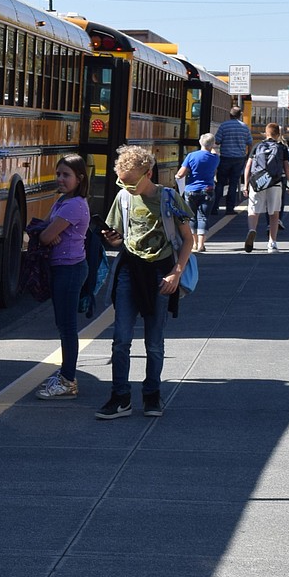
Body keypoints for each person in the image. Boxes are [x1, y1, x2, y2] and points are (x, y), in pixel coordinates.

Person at [97, 144, 194, 419]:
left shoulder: (169, 198)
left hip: (160, 272)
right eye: (122, 182)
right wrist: (112, 239)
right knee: (120, 339)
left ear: (148, 173)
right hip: (130, 269)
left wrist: (177, 271)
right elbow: (117, 233)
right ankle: (120, 397)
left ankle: (152, 395)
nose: (126, 188)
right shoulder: (123, 198)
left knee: (154, 341)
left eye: (131, 183)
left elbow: (188, 239)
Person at [34, 153, 92, 401]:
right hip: (63, 268)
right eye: (58, 174)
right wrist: (48, 231)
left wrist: (49, 232)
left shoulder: (73, 205)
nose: (60, 179)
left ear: (79, 178)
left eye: (66, 175)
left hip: (70, 270)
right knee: (63, 324)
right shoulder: (63, 201)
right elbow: (44, 228)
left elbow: (46, 236)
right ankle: (66, 376)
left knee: (67, 327)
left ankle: (68, 380)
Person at [243, 122, 289, 253]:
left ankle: (252, 230)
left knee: (253, 210)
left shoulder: (257, 146)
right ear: (278, 134)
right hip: (275, 182)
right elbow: (287, 168)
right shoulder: (281, 148)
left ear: (265, 133)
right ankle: (272, 243)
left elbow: (248, 167)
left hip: (257, 182)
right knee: (274, 213)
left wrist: (246, 185)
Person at [175, 132, 218, 252]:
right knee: (203, 218)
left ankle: (194, 244)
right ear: (213, 144)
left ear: (200, 142)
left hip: (191, 190)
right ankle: (201, 245)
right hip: (208, 190)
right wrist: (212, 147)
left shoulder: (191, 156)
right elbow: (214, 152)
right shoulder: (215, 158)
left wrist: (178, 177)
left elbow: (181, 174)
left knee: (192, 217)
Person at [211, 107, 252, 215]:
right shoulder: (244, 127)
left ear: (230, 115)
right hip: (239, 159)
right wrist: (248, 155)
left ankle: (214, 207)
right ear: (240, 115)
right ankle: (229, 209)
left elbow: (217, 141)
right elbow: (249, 142)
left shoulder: (224, 126)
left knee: (220, 183)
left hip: (225, 158)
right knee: (233, 184)